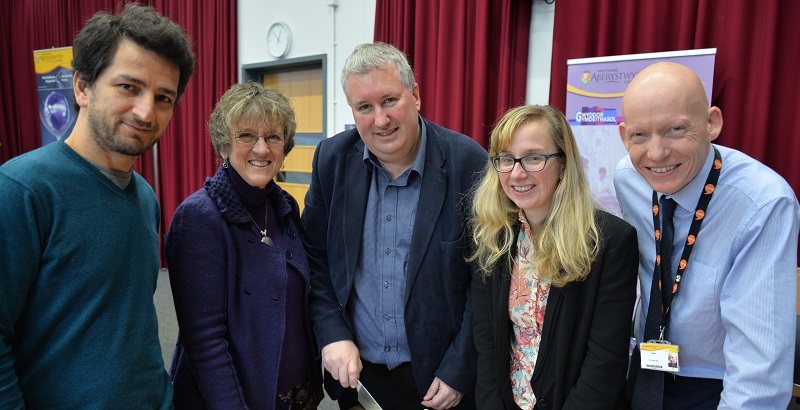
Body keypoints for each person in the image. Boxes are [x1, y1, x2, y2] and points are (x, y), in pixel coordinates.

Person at [0, 4, 195, 408]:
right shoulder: (21, 191)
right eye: (129, 87)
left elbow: (131, 324)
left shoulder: (145, 197)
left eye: (163, 98)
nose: (146, 111)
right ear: (82, 87)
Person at [301, 42, 486, 410]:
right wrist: (332, 335)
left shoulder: (468, 162)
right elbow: (316, 260)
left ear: (415, 95)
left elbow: (486, 280)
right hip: (361, 378)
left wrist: (460, 369)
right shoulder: (332, 160)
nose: (380, 120)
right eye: (364, 107)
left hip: (441, 382)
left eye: (389, 100)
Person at [615, 62, 800, 409]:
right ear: (624, 135)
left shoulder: (763, 203)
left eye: (675, 129)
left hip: (717, 384)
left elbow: (758, 372)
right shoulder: (628, 178)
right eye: (640, 135)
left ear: (712, 123)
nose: (656, 153)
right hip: (642, 371)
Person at [469, 105, 639, 409]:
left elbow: (604, 363)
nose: (517, 173)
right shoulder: (494, 237)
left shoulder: (610, 241)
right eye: (506, 159)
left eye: (534, 158)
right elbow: (487, 346)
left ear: (563, 164)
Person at [165, 82, 323, 409]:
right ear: (224, 145)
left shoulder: (285, 207)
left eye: (273, 137)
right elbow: (206, 345)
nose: (262, 149)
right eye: (247, 135)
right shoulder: (199, 218)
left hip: (297, 392)